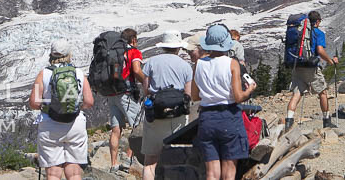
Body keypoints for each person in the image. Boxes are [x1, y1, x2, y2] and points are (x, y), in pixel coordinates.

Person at [191, 24, 256, 180]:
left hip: (207, 117)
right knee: (229, 170)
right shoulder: (232, 63)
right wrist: (250, 90)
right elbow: (239, 96)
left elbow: (195, 96)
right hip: (229, 116)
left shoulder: (199, 64)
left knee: (212, 173)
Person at [29, 40, 95, 180]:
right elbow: (89, 101)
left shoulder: (43, 74)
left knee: (53, 173)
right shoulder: (78, 73)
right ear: (68, 54)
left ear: (51, 54)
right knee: (75, 172)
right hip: (75, 123)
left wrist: (49, 107)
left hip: (50, 125)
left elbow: (34, 103)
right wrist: (77, 107)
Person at [140, 31, 194, 180]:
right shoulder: (185, 66)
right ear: (178, 47)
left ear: (163, 46)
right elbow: (188, 94)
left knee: (150, 161)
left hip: (155, 115)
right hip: (178, 115)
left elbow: (146, 89)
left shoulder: (151, 62)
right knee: (177, 158)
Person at [285, 11, 338, 131]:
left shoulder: (300, 32)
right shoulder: (318, 33)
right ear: (318, 21)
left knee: (297, 93)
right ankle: (326, 121)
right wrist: (330, 61)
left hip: (297, 65)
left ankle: (288, 122)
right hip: (311, 67)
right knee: (322, 92)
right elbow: (319, 50)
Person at [106, 28, 145, 172]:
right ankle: (130, 158)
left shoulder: (115, 52)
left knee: (116, 129)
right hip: (127, 94)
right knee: (138, 126)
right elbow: (136, 70)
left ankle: (113, 163)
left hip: (112, 94)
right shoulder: (133, 52)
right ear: (133, 39)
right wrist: (147, 82)